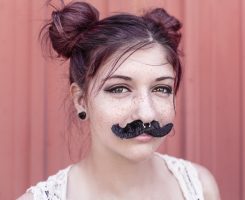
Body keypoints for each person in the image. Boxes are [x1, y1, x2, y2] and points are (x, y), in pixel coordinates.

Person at [18, 1, 220, 199]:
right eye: (120, 89)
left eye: (161, 88)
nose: (147, 113)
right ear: (81, 100)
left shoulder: (200, 188)